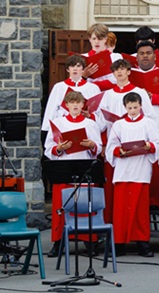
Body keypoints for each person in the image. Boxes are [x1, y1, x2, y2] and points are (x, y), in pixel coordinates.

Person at [44, 92, 102, 256]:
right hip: (64, 166)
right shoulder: (58, 123)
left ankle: (89, 241)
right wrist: (60, 148)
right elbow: (49, 148)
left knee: (85, 205)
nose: (75, 106)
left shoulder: (91, 124)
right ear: (66, 105)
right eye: (72, 103)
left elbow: (98, 146)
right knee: (61, 206)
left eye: (78, 102)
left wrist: (91, 144)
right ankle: (58, 241)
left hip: (83, 164)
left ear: (83, 104)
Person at [105, 92, 159, 257]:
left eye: (135, 107)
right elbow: (111, 146)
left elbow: (157, 143)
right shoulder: (119, 124)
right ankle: (119, 244)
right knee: (121, 210)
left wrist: (148, 146)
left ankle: (143, 244)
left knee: (140, 211)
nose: (133, 110)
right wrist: (118, 151)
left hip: (141, 169)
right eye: (129, 108)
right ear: (125, 107)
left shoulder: (148, 123)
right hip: (123, 170)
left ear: (141, 105)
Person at [43, 55, 102, 132]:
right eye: (72, 66)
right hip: (64, 126)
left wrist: (90, 115)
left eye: (78, 66)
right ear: (67, 69)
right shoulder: (59, 87)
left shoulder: (93, 88)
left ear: (83, 69)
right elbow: (51, 109)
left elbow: (99, 112)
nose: (75, 69)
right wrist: (47, 128)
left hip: (86, 126)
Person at [82, 23, 123, 90]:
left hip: (109, 94)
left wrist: (91, 86)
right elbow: (76, 83)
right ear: (89, 39)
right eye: (94, 38)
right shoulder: (83, 57)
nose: (97, 42)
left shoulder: (116, 57)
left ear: (105, 39)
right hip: (90, 95)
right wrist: (84, 76)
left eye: (100, 39)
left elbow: (116, 80)